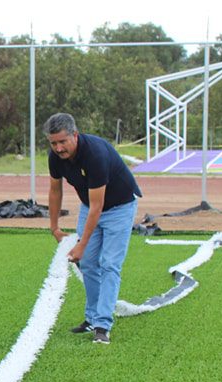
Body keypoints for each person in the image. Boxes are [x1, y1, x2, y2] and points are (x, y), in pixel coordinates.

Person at [45, 113, 142, 345]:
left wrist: (81, 244)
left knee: (109, 264)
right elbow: (55, 190)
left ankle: (102, 324)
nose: (58, 148)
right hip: (90, 206)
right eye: (53, 143)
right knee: (88, 263)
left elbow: (99, 206)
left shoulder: (95, 154)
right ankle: (91, 317)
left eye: (62, 142)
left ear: (75, 136)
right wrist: (54, 227)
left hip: (119, 207)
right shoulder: (55, 157)